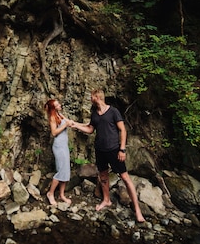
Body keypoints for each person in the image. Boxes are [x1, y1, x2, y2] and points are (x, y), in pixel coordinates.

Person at [73, 89, 145, 222]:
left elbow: (122, 130)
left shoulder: (113, 111)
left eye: (92, 97)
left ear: (98, 97)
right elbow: (90, 129)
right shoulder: (94, 113)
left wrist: (122, 150)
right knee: (103, 175)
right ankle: (106, 200)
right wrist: (75, 125)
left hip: (114, 150)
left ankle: (138, 210)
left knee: (125, 177)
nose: (90, 99)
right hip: (100, 150)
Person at [44, 98, 74, 206]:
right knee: (61, 170)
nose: (60, 105)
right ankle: (50, 193)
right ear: (53, 108)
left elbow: (69, 123)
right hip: (58, 146)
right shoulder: (52, 117)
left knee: (66, 171)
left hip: (64, 146)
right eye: (57, 105)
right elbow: (54, 132)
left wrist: (85, 124)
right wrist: (65, 125)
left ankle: (61, 195)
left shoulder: (59, 114)